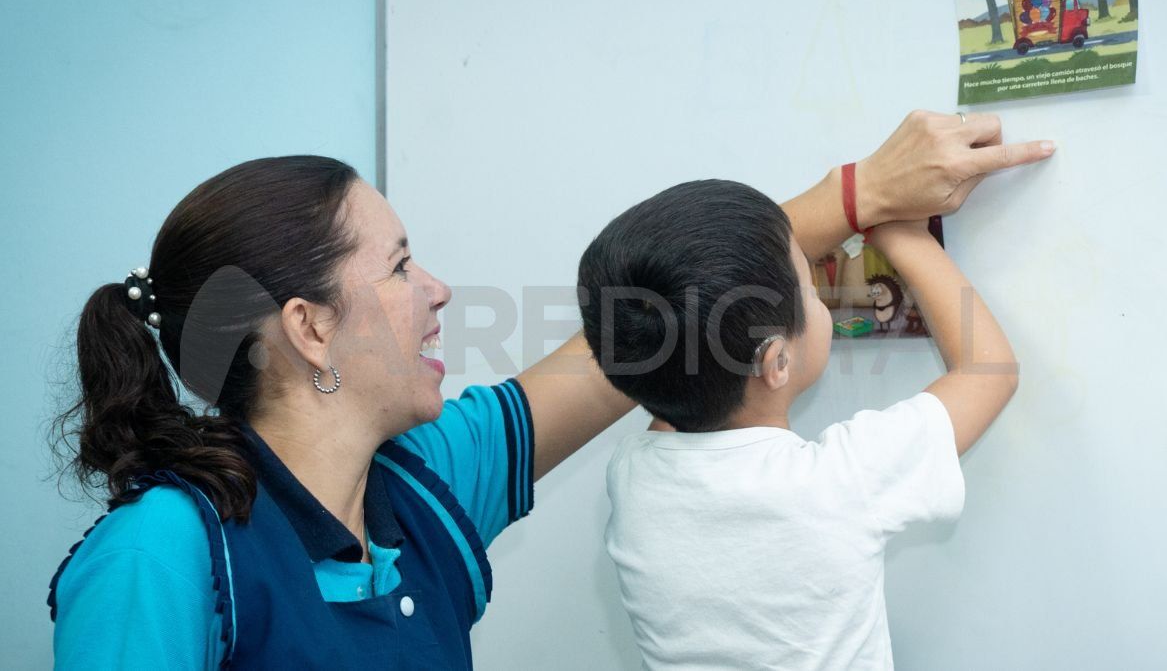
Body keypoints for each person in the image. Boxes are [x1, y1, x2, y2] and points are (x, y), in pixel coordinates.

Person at [47, 111, 1050, 669]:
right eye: (400, 268)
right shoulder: (165, 555)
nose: (437, 292)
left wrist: (857, 199)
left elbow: (656, 326)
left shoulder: (424, 484)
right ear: (309, 328)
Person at [576, 138, 1040, 668]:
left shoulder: (633, 476)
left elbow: (674, 373)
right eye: (809, 284)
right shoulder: (838, 482)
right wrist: (902, 234)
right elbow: (990, 372)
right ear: (775, 362)